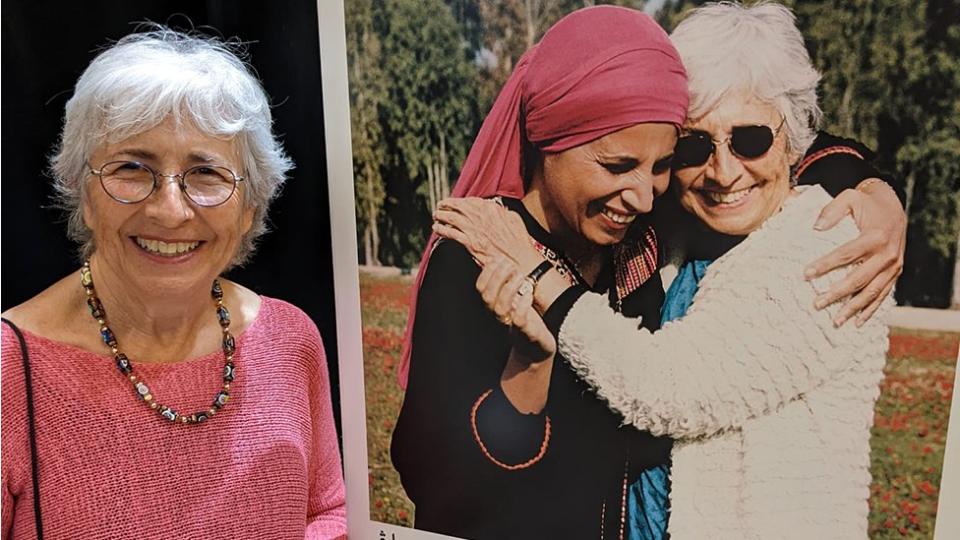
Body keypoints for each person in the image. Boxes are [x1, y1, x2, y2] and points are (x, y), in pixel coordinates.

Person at [394, 5, 904, 540]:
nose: (643, 193)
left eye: (661, 164)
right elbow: (433, 471)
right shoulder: (491, 248)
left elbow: (664, 386)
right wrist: (528, 366)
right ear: (551, 142)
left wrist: (873, 187)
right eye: (691, 148)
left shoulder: (800, 238)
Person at [1, 28, 346, 539]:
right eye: (131, 169)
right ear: (82, 191)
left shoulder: (291, 340)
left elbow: (327, 514)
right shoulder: (11, 370)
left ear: (251, 205)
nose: (169, 209)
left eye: (207, 174)